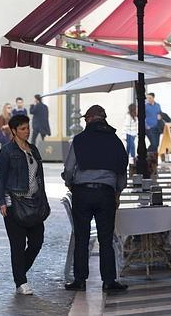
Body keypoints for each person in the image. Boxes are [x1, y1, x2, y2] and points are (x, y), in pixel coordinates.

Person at [62, 105, 129, 293]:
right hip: (106, 193)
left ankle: (79, 280)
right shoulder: (115, 141)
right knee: (106, 239)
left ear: (90, 119)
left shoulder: (79, 139)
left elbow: (69, 168)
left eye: (85, 119)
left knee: (81, 238)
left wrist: (70, 184)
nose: (84, 122)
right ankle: (109, 281)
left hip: (82, 193)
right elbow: (122, 170)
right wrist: (118, 192)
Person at [0, 114, 48, 295]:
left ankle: (19, 271)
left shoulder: (33, 149)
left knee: (37, 241)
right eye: (23, 129)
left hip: (34, 202)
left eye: (28, 128)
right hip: (14, 203)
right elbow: (0, 178)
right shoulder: (7, 151)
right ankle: (21, 281)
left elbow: (39, 177)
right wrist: (2, 201)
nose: (27, 131)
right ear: (13, 131)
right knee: (17, 245)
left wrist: (44, 199)